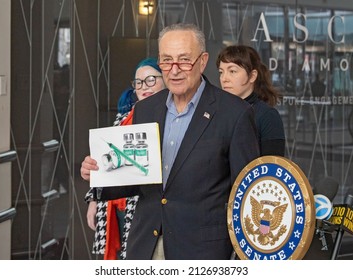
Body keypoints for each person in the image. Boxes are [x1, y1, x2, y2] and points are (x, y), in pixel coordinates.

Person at [80, 23, 260, 260]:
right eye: (166, 61)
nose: (174, 70)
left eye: (184, 60)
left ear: (202, 61)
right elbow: (136, 176)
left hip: (202, 252)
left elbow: (248, 192)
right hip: (145, 246)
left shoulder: (234, 113)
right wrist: (99, 172)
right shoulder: (145, 109)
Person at [83, 57, 165, 259]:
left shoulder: (171, 119)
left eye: (151, 80)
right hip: (113, 207)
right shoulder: (123, 118)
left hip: (144, 209)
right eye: (138, 82)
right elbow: (106, 165)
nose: (144, 86)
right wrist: (94, 198)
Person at [216, 45, 285, 156]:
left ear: (252, 76)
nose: (224, 79)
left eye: (232, 71)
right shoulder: (217, 111)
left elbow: (272, 167)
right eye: (221, 72)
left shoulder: (267, 116)